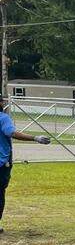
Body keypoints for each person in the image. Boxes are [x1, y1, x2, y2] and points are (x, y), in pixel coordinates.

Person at [0, 97, 51, 233]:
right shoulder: (3, 118)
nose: (4, 103)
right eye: (2, 101)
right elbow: (11, 133)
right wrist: (35, 138)